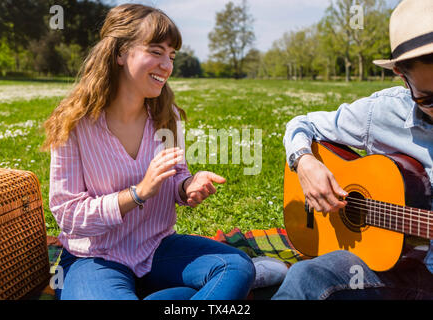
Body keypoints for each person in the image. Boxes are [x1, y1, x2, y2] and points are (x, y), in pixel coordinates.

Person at [42, 4, 255, 300]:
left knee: (235, 266)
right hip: (93, 258)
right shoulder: (74, 124)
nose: (167, 65)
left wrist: (186, 186)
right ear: (119, 53)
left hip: (155, 248)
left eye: (171, 55)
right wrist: (138, 192)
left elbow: (176, 178)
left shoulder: (167, 117)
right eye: (156, 51)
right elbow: (67, 215)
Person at [273, 0, 433, 300]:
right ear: (401, 74)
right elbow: (302, 124)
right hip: (391, 267)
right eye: (428, 100)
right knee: (307, 277)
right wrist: (305, 163)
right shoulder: (382, 113)